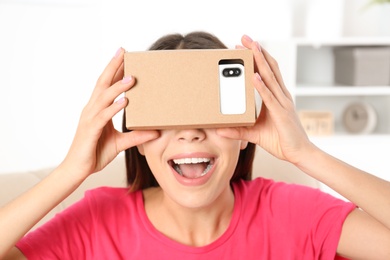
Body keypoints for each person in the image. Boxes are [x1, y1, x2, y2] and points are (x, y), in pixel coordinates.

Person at [1, 31, 389, 259]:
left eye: (209, 113)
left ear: (243, 135)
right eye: (169, 116)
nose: (190, 133)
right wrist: (72, 170)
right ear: (139, 140)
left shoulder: (293, 213)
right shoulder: (96, 223)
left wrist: (306, 154)